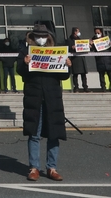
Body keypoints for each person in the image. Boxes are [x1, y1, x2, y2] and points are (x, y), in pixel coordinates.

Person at [17, 23, 69, 181]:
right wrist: (25, 64)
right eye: (37, 36)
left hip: (52, 97)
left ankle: (51, 168)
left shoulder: (56, 52)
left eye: (43, 36)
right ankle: (34, 167)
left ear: (49, 37)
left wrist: (68, 67)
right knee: (34, 133)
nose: (40, 39)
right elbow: (20, 72)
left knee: (54, 133)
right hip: (34, 97)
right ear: (32, 37)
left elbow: (63, 76)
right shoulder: (26, 51)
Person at [66, 27, 88, 92]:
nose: (79, 33)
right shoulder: (69, 40)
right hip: (74, 59)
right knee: (75, 74)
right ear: (74, 32)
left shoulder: (79, 39)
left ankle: (85, 87)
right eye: (78, 31)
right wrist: (71, 47)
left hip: (81, 58)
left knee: (83, 74)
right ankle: (76, 87)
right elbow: (67, 48)